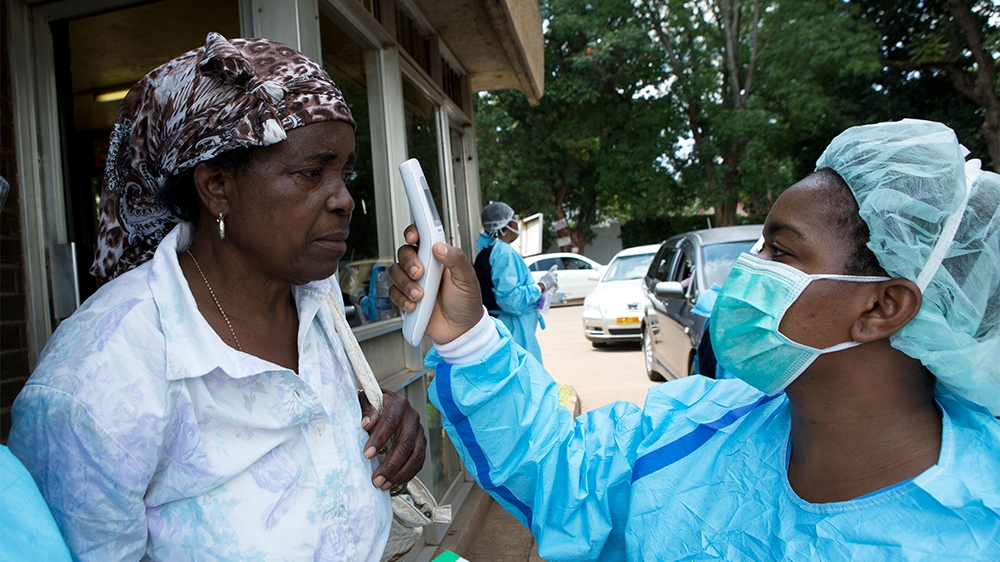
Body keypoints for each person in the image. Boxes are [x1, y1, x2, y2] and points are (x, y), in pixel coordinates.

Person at [389, 119, 1000, 560]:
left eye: (780, 252)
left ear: (882, 306)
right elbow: (560, 472)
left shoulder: (977, 525)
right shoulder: (707, 425)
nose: (746, 271)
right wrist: (466, 336)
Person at [8, 33, 425, 561]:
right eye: (311, 172)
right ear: (217, 187)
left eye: (344, 173)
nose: (343, 199)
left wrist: (378, 433)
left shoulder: (314, 304)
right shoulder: (98, 379)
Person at [472, 202, 556, 364]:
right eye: (514, 219)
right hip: (512, 331)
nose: (516, 222)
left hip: (498, 329)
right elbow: (511, 301)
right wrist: (541, 286)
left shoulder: (487, 252)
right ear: (507, 224)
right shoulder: (504, 253)